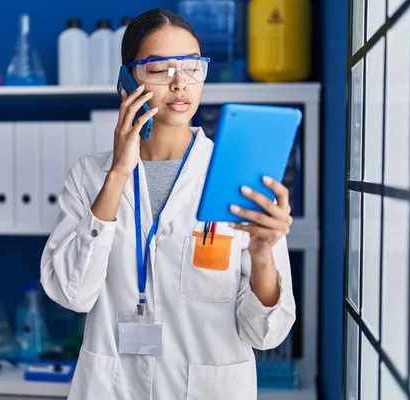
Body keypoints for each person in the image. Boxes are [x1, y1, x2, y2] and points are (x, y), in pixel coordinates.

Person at [40, 8, 296, 400]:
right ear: (128, 81)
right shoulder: (90, 177)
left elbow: (265, 333)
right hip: (114, 389)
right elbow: (72, 295)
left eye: (193, 67)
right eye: (160, 69)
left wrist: (263, 254)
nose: (181, 84)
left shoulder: (238, 176)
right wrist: (117, 175)